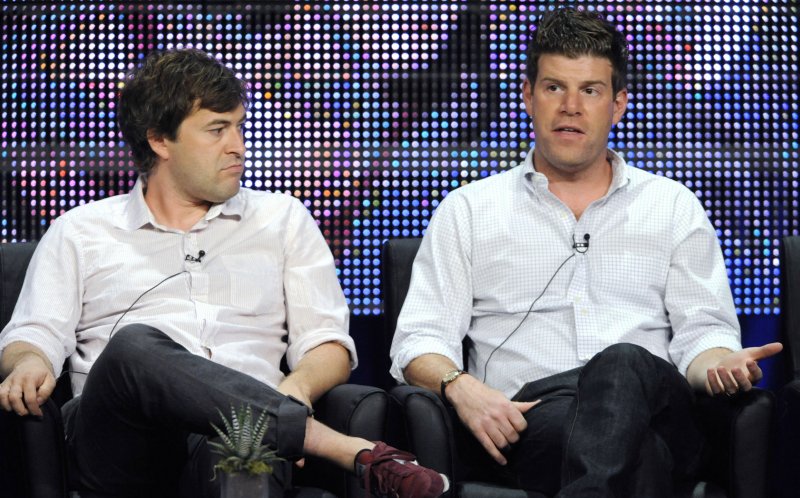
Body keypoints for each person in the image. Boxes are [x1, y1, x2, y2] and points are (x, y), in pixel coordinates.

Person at [0, 48, 447, 498]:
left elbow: (326, 342)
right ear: (159, 140)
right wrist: (29, 362)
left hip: (246, 432)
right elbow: (33, 334)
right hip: (122, 446)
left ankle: (278, 425)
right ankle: (348, 450)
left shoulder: (282, 219)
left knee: (241, 446)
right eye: (217, 130)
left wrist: (297, 387)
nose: (238, 145)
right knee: (133, 345)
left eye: (238, 126)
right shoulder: (81, 230)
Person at [389, 7, 782, 498]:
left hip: (659, 405)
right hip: (535, 422)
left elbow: (704, 334)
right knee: (643, 458)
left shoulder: (671, 205)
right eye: (554, 88)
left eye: (590, 91)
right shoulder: (469, 209)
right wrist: (459, 385)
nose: (571, 106)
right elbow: (417, 341)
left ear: (617, 105)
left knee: (621, 365)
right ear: (529, 97)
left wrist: (720, 364)